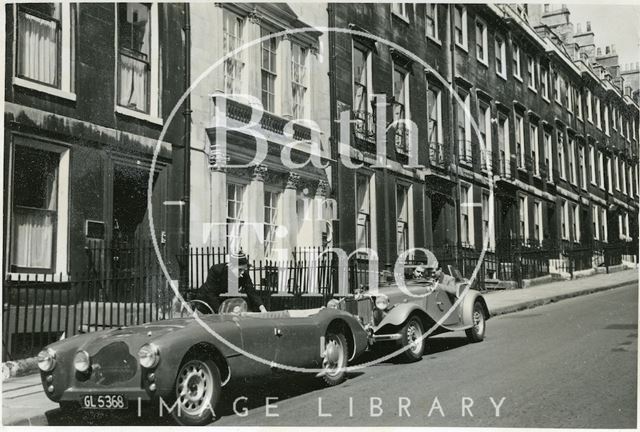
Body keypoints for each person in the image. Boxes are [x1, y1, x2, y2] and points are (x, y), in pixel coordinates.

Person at [188, 251, 267, 314]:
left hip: (223, 303)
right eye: (240, 269)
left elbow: (251, 292)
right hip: (205, 302)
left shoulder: (244, 275)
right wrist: (220, 312)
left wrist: (262, 308)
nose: (242, 272)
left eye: (244, 269)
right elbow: (210, 294)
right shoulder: (216, 270)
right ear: (231, 266)